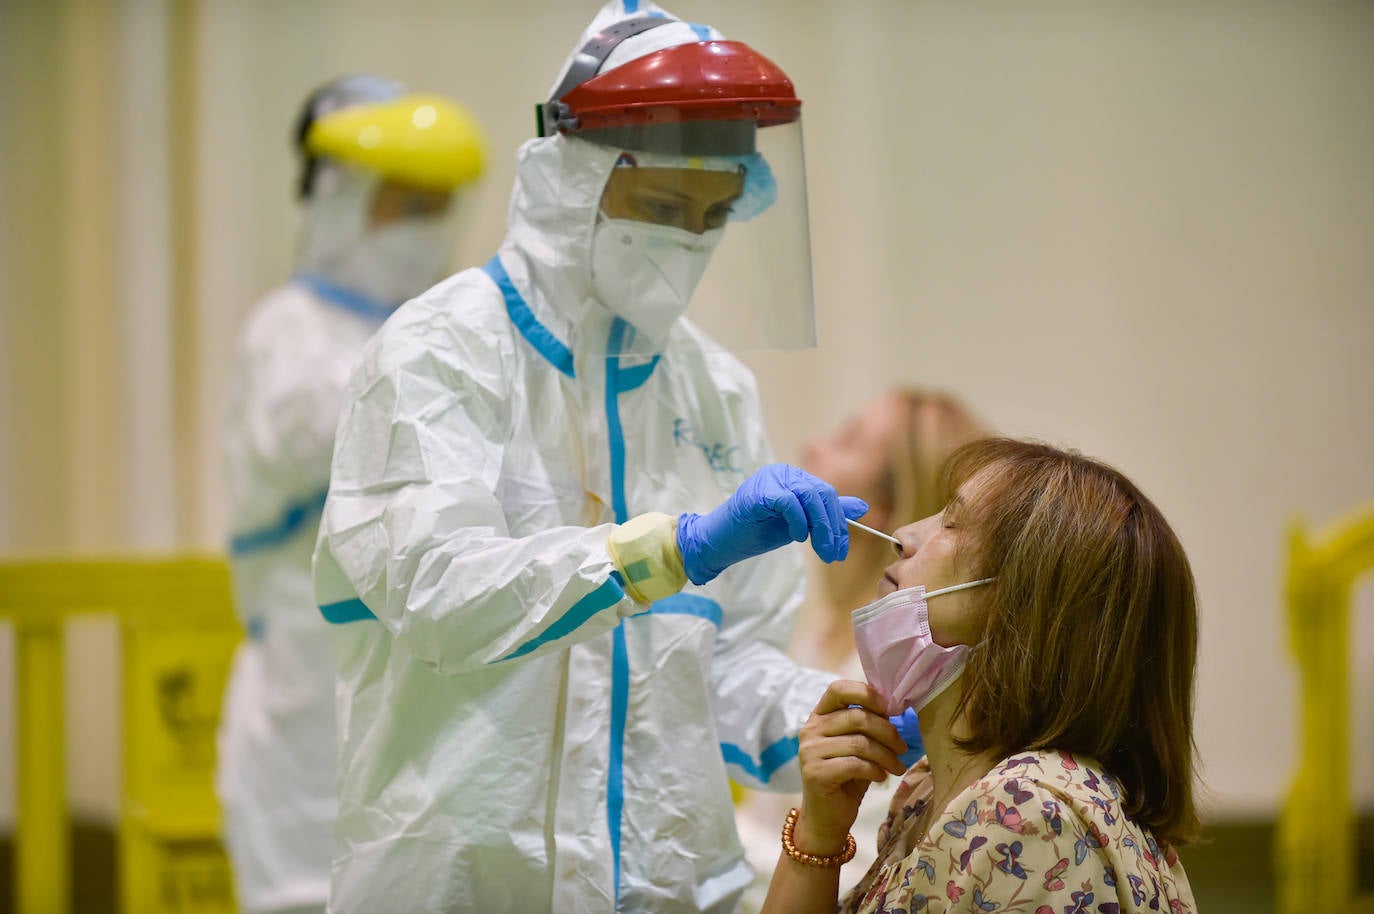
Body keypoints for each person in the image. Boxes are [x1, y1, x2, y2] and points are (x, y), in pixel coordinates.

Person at [311, 4, 868, 912]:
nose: (687, 242)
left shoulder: (713, 389)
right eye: (659, 207)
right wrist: (675, 548)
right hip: (464, 886)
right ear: (573, 180)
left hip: (665, 884)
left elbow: (724, 669)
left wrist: (855, 717)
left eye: (714, 214)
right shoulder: (440, 351)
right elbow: (440, 593)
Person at [215, 74, 485, 914]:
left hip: (420, 686)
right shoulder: (286, 331)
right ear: (338, 199)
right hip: (307, 681)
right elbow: (327, 437)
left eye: (437, 207)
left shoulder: (440, 327)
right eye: (402, 204)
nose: (421, 230)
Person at [760, 438, 1200, 914]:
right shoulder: (924, 790)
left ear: (1024, 605)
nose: (905, 536)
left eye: (950, 523)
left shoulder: (1028, 813)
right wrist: (818, 835)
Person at [735, 389, 986, 908]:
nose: (811, 450)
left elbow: (868, 879)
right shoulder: (815, 627)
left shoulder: (909, 673)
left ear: (890, 508)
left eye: (846, 442)